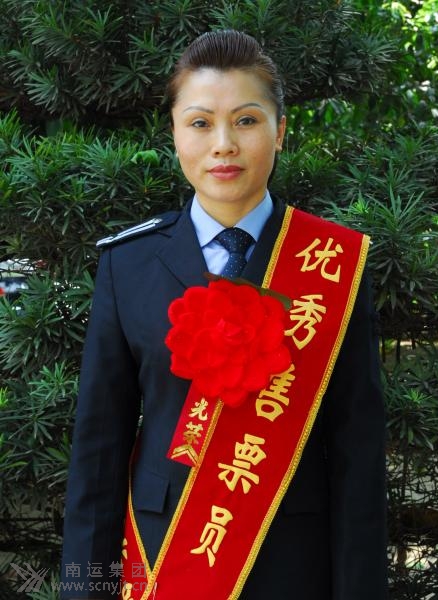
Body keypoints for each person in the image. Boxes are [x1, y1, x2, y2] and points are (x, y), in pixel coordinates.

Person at [60, 30, 388, 600]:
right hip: (163, 556)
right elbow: (98, 453)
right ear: (174, 134)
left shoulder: (331, 262)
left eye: (246, 120)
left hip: (294, 563)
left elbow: (358, 458)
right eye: (200, 122)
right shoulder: (128, 264)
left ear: (279, 131)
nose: (223, 145)